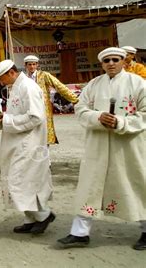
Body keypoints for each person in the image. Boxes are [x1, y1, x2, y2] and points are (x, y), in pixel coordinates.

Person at [57, 47, 146, 250]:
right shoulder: (94, 85)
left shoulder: (138, 83)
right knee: (90, 186)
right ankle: (79, 233)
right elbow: (80, 109)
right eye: (106, 60)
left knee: (136, 184)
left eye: (115, 59)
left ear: (124, 61)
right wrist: (98, 117)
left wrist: (121, 122)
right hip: (97, 146)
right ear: (102, 64)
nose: (111, 63)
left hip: (127, 146)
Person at [0, 60, 54, 234]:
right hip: (17, 143)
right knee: (22, 181)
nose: (1, 83)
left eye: (2, 79)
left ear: (11, 73)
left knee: (20, 181)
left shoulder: (28, 87)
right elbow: (14, 115)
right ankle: (30, 218)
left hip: (28, 143)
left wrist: (5, 120)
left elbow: (35, 117)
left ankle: (44, 215)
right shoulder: (15, 88)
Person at [24, 55, 78, 145]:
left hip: (43, 108)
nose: (32, 67)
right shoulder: (24, 78)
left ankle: (45, 156)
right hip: (28, 108)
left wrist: (74, 99)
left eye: (34, 64)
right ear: (25, 66)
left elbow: (59, 86)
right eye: (29, 64)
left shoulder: (44, 75)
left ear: (37, 65)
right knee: (31, 134)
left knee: (44, 132)